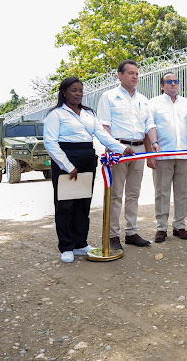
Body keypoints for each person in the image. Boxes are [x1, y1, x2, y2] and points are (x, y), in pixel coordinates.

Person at [43, 77, 135, 263]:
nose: (78, 94)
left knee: (82, 203)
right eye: (73, 90)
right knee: (65, 205)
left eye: (80, 91)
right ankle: (67, 246)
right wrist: (68, 166)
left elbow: (101, 134)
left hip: (87, 159)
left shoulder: (88, 113)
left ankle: (80, 243)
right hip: (67, 161)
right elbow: (50, 143)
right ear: (64, 92)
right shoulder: (56, 114)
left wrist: (121, 148)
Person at [97, 59, 161, 252]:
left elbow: (149, 125)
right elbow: (104, 127)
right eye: (130, 73)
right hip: (118, 151)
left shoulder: (143, 99)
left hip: (139, 150)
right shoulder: (109, 97)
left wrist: (154, 144)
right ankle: (112, 235)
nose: (135, 76)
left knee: (133, 194)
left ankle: (131, 232)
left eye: (136, 73)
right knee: (115, 195)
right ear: (120, 75)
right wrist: (117, 147)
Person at [147, 72, 187, 243]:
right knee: (162, 192)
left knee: (182, 191)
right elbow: (149, 127)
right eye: (169, 82)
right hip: (163, 155)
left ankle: (179, 225)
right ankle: (161, 228)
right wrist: (151, 153)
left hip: (184, 154)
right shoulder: (154, 104)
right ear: (162, 86)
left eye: (176, 81)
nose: (173, 84)